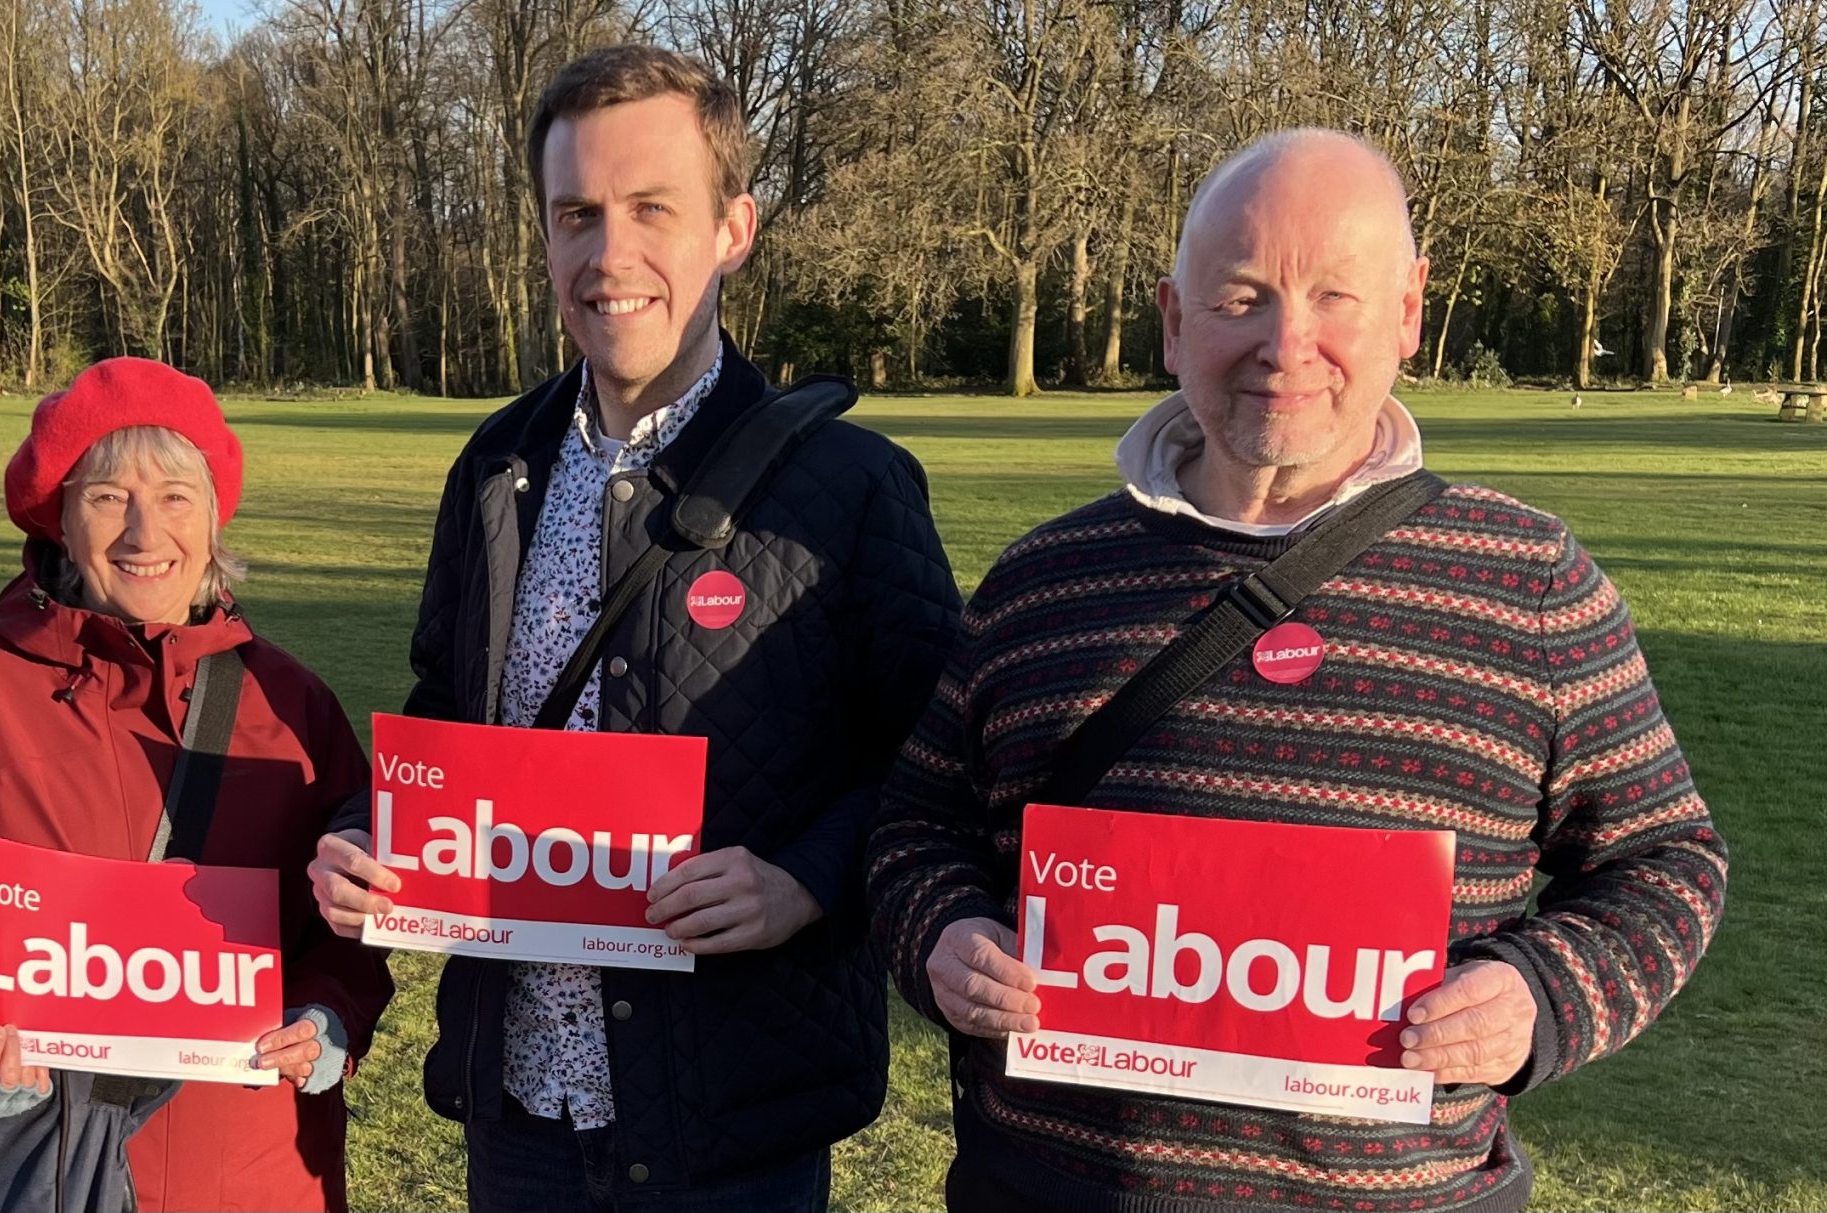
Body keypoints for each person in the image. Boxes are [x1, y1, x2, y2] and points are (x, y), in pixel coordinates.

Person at [867, 128, 1729, 1213]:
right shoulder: (1042, 581)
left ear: (1408, 312)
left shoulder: (1529, 585)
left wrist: (1539, 996)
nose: (1286, 342)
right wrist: (942, 935)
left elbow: (1667, 861)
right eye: (1239, 297)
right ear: (1174, 321)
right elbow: (914, 828)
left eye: (1335, 295)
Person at [306, 44, 962, 1213]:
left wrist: (803, 884)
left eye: (652, 209)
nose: (609, 256)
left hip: (727, 1105)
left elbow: (935, 764)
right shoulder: (496, 466)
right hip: (520, 1099)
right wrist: (371, 834)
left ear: (733, 227)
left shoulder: (851, 485)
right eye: (576, 215)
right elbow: (447, 713)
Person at [0, 356, 394, 1212]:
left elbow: (351, 918)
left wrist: (328, 1020)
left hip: (253, 1166)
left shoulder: (290, 704)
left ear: (214, 517)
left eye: (176, 495)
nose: (145, 534)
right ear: (59, 518)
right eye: (107, 496)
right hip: (40, 1166)